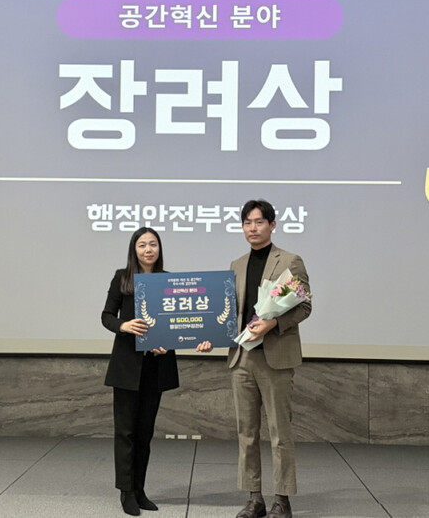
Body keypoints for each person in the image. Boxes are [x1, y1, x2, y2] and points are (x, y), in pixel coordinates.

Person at [200, 199, 311, 518]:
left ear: (272, 225)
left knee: (280, 433)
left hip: (275, 358)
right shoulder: (236, 264)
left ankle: (282, 499)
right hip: (242, 358)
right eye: (247, 222)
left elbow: (304, 306)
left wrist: (273, 322)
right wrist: (209, 335)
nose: (253, 228)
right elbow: (227, 313)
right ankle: (254, 498)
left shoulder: (290, 261)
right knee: (246, 433)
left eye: (259, 222)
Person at [102, 227, 179, 516]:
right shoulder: (122, 277)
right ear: (134, 249)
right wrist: (123, 325)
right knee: (126, 432)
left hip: (155, 367)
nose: (148, 249)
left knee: (145, 432)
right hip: (127, 367)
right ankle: (126, 492)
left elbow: (174, 323)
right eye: (142, 245)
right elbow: (106, 316)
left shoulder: (168, 281)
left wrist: (167, 342)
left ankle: (140, 489)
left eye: (153, 244)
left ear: (160, 248)